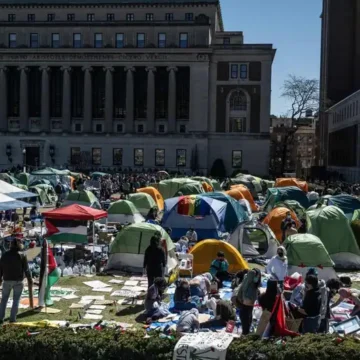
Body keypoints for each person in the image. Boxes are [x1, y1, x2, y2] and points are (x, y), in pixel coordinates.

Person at [0, 239, 33, 323]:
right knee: (16, 300)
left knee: (4, 300)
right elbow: (26, 269)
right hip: (18, 280)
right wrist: (30, 279)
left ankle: (0, 318)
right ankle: (12, 319)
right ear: (19, 245)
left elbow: (0, 268)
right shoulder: (22, 255)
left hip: (6, 280)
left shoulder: (5, 255)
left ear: (10, 245)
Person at [232, 268, 261, 335]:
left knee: (244, 317)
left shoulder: (249, 283)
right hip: (248, 305)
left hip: (246, 304)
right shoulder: (255, 284)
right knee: (248, 317)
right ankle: (247, 332)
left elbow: (243, 289)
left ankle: (245, 333)